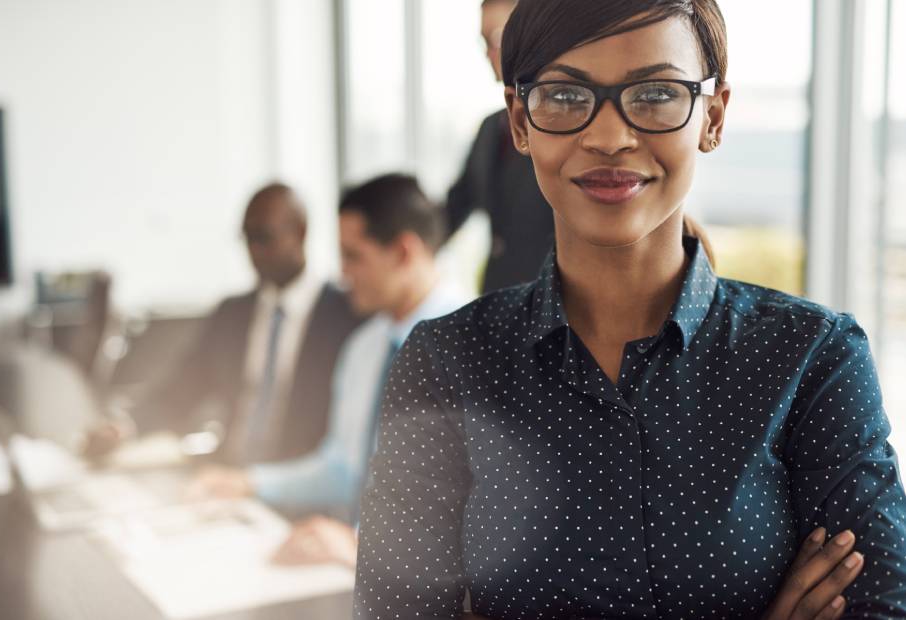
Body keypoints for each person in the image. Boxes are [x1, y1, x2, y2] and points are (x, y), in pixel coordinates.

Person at [353, 1, 906, 619]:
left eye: (655, 93)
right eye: (564, 96)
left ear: (714, 116)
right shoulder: (445, 363)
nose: (610, 137)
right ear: (519, 121)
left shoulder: (813, 358)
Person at [191, 174, 469, 564]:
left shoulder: (481, 349)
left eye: (354, 256)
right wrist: (249, 482)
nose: (343, 274)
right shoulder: (363, 347)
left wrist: (362, 546)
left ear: (404, 252)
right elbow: (341, 470)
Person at [84, 183, 364, 465]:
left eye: (263, 237)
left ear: (300, 232)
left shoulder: (345, 315)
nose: (254, 251)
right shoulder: (232, 314)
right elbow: (182, 387)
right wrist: (124, 426)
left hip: (303, 489)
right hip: (227, 476)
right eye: (247, 238)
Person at [445, 0, 554, 293]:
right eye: (484, 41)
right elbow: (457, 204)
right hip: (499, 296)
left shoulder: (564, 125)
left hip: (553, 301)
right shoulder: (490, 128)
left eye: (496, 37)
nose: (488, 53)